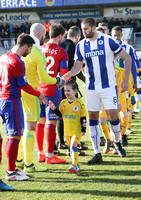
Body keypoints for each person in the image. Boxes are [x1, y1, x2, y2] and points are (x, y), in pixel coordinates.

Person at [62, 17, 132, 164]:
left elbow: (127, 59)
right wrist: (69, 73)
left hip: (108, 86)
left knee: (113, 116)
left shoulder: (108, 40)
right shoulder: (81, 45)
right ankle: (97, 153)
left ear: (93, 28)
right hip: (91, 87)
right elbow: (77, 66)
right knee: (92, 117)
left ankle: (117, 141)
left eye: (86, 29)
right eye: (82, 29)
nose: (83, 32)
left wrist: (125, 81)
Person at [17, 23, 64, 172]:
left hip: (23, 91)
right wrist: (58, 80)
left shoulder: (21, 48)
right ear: (41, 35)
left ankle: (28, 156)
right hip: (37, 91)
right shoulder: (38, 52)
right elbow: (51, 76)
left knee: (29, 125)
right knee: (39, 125)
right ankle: (38, 160)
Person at [0, 33, 47, 181]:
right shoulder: (17, 62)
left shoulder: (3, 57)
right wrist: (39, 94)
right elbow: (24, 85)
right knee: (14, 136)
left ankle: (13, 169)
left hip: (3, 99)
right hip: (12, 100)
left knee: (11, 136)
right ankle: (11, 173)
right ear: (25, 46)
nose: (31, 51)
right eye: (31, 48)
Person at [35, 23, 68, 164]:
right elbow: (65, 75)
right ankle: (50, 156)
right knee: (51, 124)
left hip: (38, 90)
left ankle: (40, 154)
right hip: (53, 91)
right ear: (60, 36)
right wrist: (61, 87)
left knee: (40, 123)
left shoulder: (39, 49)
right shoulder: (61, 52)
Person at [49, 80, 87, 173]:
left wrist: (83, 128)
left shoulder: (79, 103)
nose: (66, 93)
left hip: (77, 130)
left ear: (75, 91)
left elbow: (83, 117)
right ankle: (76, 164)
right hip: (67, 131)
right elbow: (60, 114)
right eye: (65, 91)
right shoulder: (63, 103)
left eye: (69, 91)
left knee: (74, 145)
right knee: (71, 147)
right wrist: (54, 109)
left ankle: (73, 165)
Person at [59, 26, 86, 151]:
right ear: (77, 37)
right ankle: (74, 141)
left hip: (57, 83)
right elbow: (76, 68)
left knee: (60, 112)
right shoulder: (74, 47)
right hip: (69, 85)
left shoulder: (60, 44)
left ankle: (61, 142)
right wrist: (86, 80)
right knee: (72, 112)